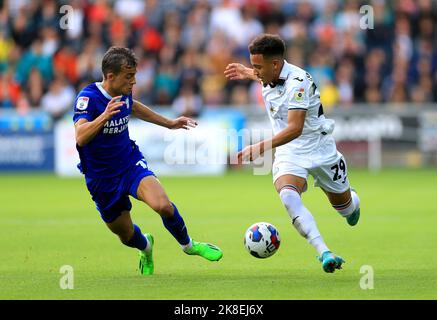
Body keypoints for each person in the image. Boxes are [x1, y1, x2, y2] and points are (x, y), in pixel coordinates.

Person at [73, 47, 223, 276]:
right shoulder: (88, 98)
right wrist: (104, 116)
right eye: (129, 76)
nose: (134, 81)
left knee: (162, 204)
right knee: (125, 236)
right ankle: (146, 247)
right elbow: (81, 137)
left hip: (129, 164)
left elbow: (135, 107)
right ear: (110, 76)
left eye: (134, 75)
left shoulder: (123, 91)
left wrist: (169, 123)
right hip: (101, 178)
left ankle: (189, 246)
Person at [224, 34, 360, 273]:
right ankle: (324, 252)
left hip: (319, 148)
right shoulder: (269, 74)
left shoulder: (298, 82)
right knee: (288, 196)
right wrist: (247, 72)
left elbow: (295, 129)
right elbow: (261, 76)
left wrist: (259, 147)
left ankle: (352, 202)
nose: (255, 72)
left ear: (275, 64)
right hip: (290, 152)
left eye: (258, 67)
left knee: (346, 210)